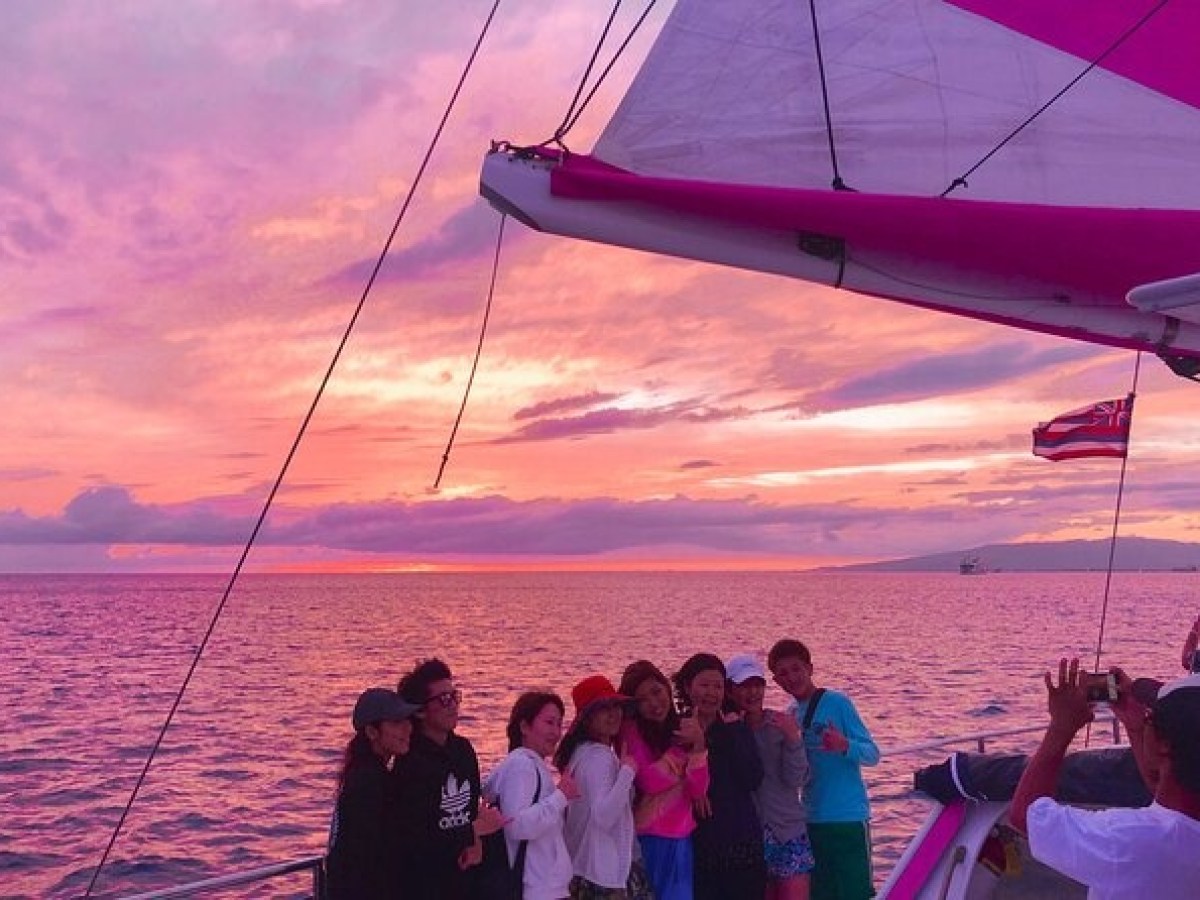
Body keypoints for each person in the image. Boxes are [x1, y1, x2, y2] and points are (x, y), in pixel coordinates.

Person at [1010, 661, 1200, 899]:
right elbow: (1170, 799)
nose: (1145, 718)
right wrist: (1136, 728)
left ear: (1163, 744)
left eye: (1150, 716)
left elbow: (1026, 815)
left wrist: (1062, 726)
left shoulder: (1128, 839)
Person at [768, 639, 879, 900]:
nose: (791, 677)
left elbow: (873, 754)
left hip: (847, 820)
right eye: (783, 673)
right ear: (776, 681)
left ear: (810, 668)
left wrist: (844, 745)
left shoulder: (837, 702)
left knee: (856, 893)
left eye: (796, 669)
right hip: (810, 822)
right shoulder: (790, 714)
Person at [673, 653, 765, 900]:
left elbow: (753, 778)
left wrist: (735, 732)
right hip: (698, 843)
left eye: (718, 686)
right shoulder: (676, 729)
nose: (711, 693)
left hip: (741, 841)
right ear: (687, 687)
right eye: (704, 685)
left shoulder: (734, 727)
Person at [394, 658, 486, 899]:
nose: (453, 705)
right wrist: (472, 831)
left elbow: (471, 810)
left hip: (466, 883)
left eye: (455, 696)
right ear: (421, 710)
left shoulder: (464, 751)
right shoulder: (410, 762)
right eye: (444, 699)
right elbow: (414, 838)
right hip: (424, 886)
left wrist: (476, 841)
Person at [618, 659, 710, 900]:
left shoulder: (682, 726)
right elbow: (649, 780)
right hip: (651, 838)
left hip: (682, 836)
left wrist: (699, 745)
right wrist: (683, 752)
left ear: (666, 688)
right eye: (642, 700)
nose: (654, 703)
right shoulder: (631, 732)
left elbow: (697, 789)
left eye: (656, 692)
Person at [727, 653, 814, 900]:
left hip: (789, 832)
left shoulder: (780, 723)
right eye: (744, 686)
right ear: (731, 690)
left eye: (757, 684)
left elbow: (796, 779)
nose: (752, 692)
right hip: (750, 839)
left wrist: (793, 739)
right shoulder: (727, 730)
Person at [326, 687, 420, 899]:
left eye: (408, 720)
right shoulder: (370, 783)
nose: (408, 728)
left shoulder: (361, 774)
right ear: (371, 732)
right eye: (397, 723)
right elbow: (368, 858)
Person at [485, 691, 578, 900]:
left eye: (559, 724)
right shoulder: (522, 765)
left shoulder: (531, 765)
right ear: (524, 727)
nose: (556, 732)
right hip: (536, 891)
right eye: (549, 722)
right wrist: (560, 797)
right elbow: (517, 826)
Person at [554, 674, 640, 899]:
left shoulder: (579, 754)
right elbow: (603, 817)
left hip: (582, 871)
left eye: (616, 706)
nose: (614, 714)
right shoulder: (599, 757)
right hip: (602, 875)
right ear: (587, 718)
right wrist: (628, 772)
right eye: (604, 708)